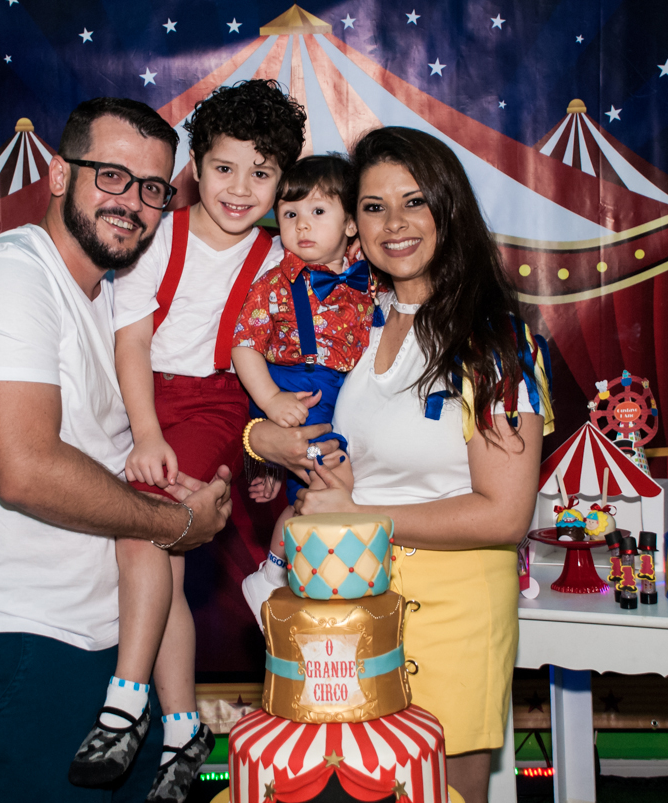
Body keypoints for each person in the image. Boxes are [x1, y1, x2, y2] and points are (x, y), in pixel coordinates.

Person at [0, 97, 234, 803]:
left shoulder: (111, 301)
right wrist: (176, 524)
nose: (133, 203)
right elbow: (26, 469)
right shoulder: (14, 277)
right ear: (61, 174)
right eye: (113, 176)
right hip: (34, 637)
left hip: (119, 643)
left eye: (154, 189)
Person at [246, 126, 553, 802]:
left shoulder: (496, 343)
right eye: (374, 206)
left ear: (450, 210)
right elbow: (305, 426)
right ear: (353, 223)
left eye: (415, 202)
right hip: (343, 611)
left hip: (452, 618)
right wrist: (260, 439)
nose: (395, 223)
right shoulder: (356, 321)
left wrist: (360, 514)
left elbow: (504, 513)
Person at [87, 79, 305, 800]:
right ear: (195, 168)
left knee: (139, 529)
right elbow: (131, 339)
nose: (241, 188)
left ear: (281, 182)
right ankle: (183, 727)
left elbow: (281, 355)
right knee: (165, 561)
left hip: (213, 400)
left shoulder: (277, 259)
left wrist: (264, 445)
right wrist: (144, 430)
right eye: (224, 167)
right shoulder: (158, 236)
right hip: (144, 395)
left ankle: (125, 703)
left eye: (262, 172)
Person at [230, 154, 375, 626]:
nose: (301, 225)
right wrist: (271, 403)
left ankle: (300, 575)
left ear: (351, 225)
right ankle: (273, 575)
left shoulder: (370, 281)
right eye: (290, 214)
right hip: (295, 388)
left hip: (343, 393)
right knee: (325, 486)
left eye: (317, 212)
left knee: (318, 488)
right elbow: (245, 346)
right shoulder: (273, 284)